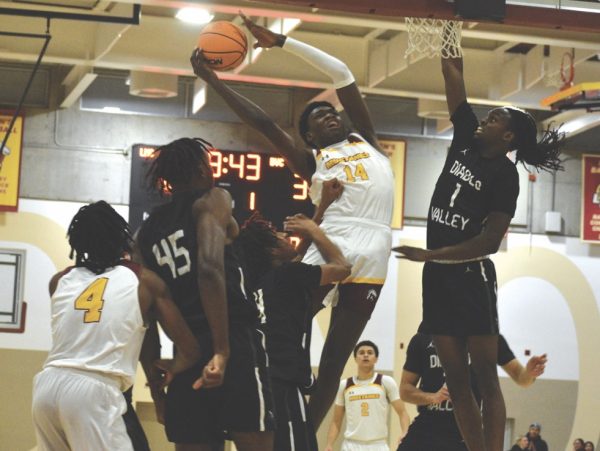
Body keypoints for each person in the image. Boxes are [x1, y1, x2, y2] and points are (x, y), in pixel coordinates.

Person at [191, 14, 395, 430]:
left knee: (336, 361)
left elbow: (342, 73)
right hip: (329, 241)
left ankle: (303, 439)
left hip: (374, 250)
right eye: (317, 117)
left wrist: (282, 41)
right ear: (310, 138)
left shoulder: (367, 141)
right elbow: (263, 123)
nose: (329, 115)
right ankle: (252, 411)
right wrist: (214, 81)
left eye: (330, 111)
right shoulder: (312, 160)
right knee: (277, 331)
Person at [393, 45, 563, 451]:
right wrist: (451, 35)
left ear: (508, 137)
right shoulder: (465, 140)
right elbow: (453, 76)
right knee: (456, 382)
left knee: (484, 378)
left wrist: (433, 254)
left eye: (495, 118)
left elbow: (490, 240)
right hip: (437, 277)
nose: (486, 118)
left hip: (470, 274)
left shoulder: (506, 176)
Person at [135, 137, 275, 451]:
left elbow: (146, 317)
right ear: (202, 167)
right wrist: (222, 352)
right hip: (235, 340)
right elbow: (210, 268)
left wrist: (159, 395)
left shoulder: (145, 234)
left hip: (186, 353)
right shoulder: (213, 199)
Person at [31, 201, 201, 451]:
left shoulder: (59, 281)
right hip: (93, 390)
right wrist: (172, 367)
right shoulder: (144, 280)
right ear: (121, 235)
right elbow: (191, 350)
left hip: (46, 388)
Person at [235, 203, 351, 451]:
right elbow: (342, 267)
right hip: (282, 381)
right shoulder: (288, 275)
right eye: (281, 237)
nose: (288, 238)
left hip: (255, 381)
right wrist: (316, 231)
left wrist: (318, 216)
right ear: (272, 252)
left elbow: (297, 260)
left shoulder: (258, 282)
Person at [398, 332, 547, 451]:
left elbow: (522, 378)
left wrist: (529, 373)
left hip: (466, 433)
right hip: (427, 429)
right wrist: (433, 397)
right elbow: (405, 390)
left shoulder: (489, 339)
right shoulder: (423, 338)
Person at [324, 340, 410, 451]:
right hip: (351, 445)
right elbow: (336, 421)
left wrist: (405, 432)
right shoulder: (344, 385)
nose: (365, 355)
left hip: (378, 445)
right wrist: (329, 444)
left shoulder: (386, 382)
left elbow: (402, 412)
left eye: (370, 352)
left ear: (376, 359)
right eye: (361, 352)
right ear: (355, 359)